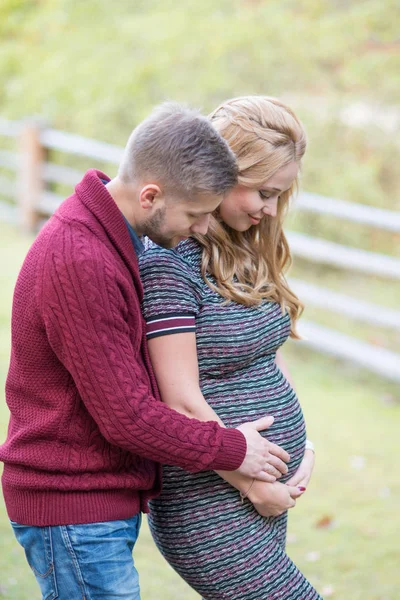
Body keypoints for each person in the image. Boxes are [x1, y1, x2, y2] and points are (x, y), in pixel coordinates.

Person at [0, 103, 291, 600]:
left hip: (100, 499)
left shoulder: (109, 239)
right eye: (195, 214)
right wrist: (239, 451)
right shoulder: (81, 258)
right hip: (73, 505)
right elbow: (127, 417)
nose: (201, 229)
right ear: (151, 194)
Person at [139, 96, 322, 599]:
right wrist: (250, 483)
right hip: (210, 498)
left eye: (278, 196)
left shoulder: (244, 253)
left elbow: (267, 356)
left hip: (263, 480)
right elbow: (177, 399)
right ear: (223, 172)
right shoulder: (170, 265)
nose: (268, 210)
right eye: (262, 192)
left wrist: (302, 447)